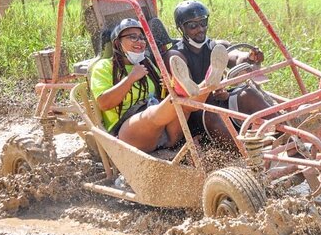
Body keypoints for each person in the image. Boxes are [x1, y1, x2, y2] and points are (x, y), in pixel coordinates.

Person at [90, 18, 228, 153]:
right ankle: (188, 88)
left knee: (182, 104)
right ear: (117, 43)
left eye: (142, 38)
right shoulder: (104, 67)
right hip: (127, 134)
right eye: (133, 37)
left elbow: (160, 97)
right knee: (153, 111)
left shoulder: (147, 64)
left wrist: (167, 90)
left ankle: (208, 82)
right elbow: (104, 103)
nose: (140, 41)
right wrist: (130, 78)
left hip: (164, 133)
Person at [164, 0, 274, 146]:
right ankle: (249, 157)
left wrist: (249, 57)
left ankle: (291, 136)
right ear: (181, 28)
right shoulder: (176, 55)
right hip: (196, 112)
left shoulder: (216, 46)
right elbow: (188, 97)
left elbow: (235, 56)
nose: (200, 29)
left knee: (248, 94)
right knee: (213, 112)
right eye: (193, 26)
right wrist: (209, 92)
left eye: (203, 23)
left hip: (220, 100)